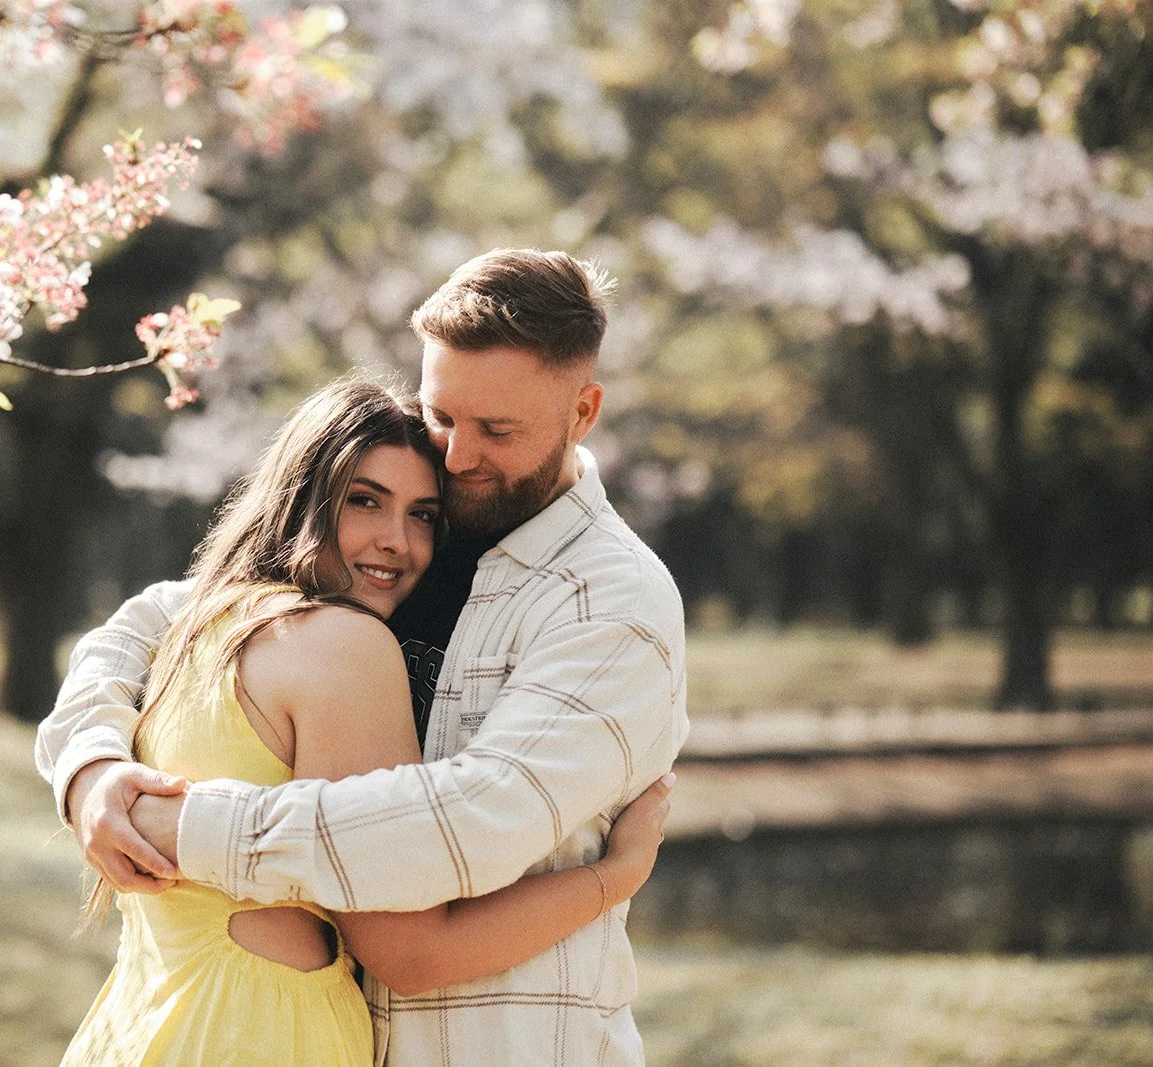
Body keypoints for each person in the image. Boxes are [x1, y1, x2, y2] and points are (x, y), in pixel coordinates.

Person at [37, 249, 689, 1064]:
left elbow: (466, 820)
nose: (454, 458)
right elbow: (156, 619)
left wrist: (180, 823)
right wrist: (91, 767)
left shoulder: (611, 602)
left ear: (583, 410)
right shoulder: (401, 548)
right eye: (442, 415)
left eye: (498, 430)